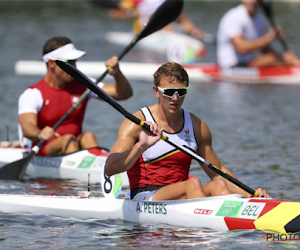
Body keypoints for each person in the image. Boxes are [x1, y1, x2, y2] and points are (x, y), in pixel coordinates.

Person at [104, 62, 270, 201]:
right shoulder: (135, 124)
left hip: (185, 195)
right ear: (156, 91)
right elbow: (110, 168)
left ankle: (231, 236)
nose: (175, 98)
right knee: (193, 183)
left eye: (181, 92)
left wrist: (251, 195)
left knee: (219, 184)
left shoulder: (197, 126)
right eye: (169, 92)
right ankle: (205, 234)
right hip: (146, 196)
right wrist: (141, 146)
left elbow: (218, 170)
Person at [18, 36, 133, 156]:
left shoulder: (82, 84)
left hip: (74, 145)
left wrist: (117, 73)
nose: (75, 68)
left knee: (88, 136)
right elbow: (27, 126)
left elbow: (123, 94)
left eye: (75, 62)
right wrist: (39, 133)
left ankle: (105, 167)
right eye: (69, 62)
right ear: (52, 63)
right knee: (68, 140)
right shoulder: (33, 94)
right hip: (44, 148)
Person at [108, 0, 215, 64]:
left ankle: (180, 65)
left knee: (200, 49)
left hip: (166, 34)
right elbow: (114, 14)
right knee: (188, 47)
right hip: (145, 34)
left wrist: (195, 31)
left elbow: (183, 20)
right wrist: (131, 13)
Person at [217, 0, 300, 68]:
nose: (253, 1)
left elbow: (264, 48)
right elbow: (241, 48)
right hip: (230, 66)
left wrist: (283, 56)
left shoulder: (259, 19)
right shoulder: (234, 17)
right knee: (273, 59)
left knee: (286, 57)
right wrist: (270, 37)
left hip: (248, 63)